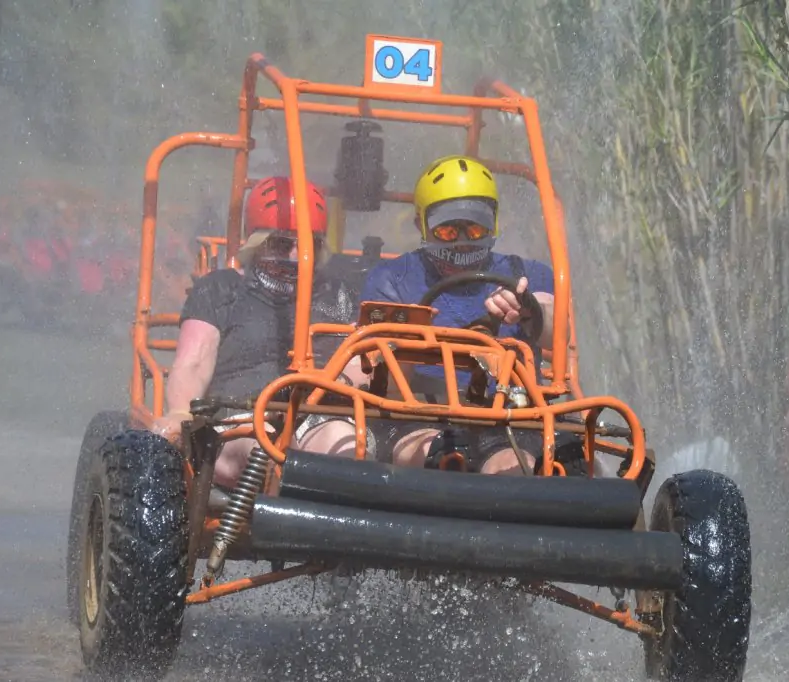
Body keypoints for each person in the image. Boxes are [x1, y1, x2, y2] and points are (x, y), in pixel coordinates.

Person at [339, 155, 563, 475]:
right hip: (416, 415)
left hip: (508, 418)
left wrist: (530, 310)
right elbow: (378, 374)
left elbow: (558, 327)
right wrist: (403, 341)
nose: (460, 241)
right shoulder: (392, 279)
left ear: (494, 222)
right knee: (436, 454)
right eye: (447, 231)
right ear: (421, 224)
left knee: (517, 466)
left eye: (474, 228)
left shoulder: (525, 275)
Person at [151, 176, 362, 489]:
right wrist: (180, 411)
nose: (294, 255)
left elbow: (360, 366)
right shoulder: (221, 289)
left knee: (346, 447)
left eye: (305, 245)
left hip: (317, 415)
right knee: (261, 449)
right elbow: (194, 362)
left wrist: (340, 384)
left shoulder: (339, 296)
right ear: (257, 243)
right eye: (281, 244)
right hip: (238, 419)